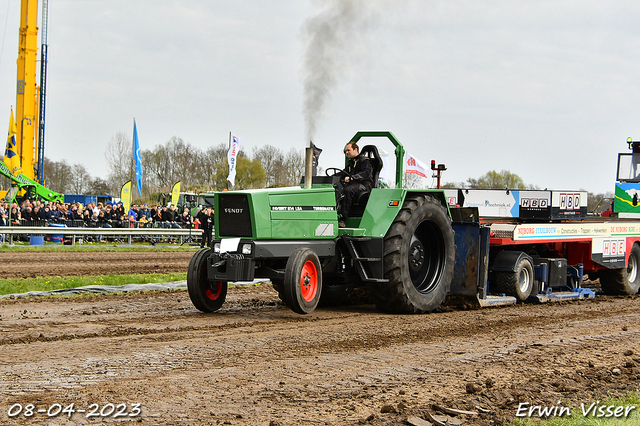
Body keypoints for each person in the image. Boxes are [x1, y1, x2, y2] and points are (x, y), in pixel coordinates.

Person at [336, 141, 373, 227]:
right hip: (353, 185)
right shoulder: (351, 163)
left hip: (364, 185)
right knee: (337, 188)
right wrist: (329, 178)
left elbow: (365, 174)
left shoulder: (365, 161)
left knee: (347, 190)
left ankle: (343, 219)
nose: (347, 152)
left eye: (348, 150)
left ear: (355, 149)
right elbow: (343, 173)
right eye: (346, 151)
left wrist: (352, 177)